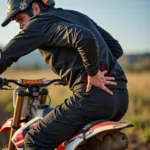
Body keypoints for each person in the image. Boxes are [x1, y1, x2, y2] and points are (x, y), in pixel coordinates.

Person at [1, 0, 128, 149]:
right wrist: (90, 69)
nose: (21, 26)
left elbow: (5, 56)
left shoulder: (38, 23)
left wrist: (92, 73)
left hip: (94, 99)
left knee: (33, 140)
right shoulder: (78, 16)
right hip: (121, 98)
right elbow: (115, 48)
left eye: (21, 19)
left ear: (35, 8)